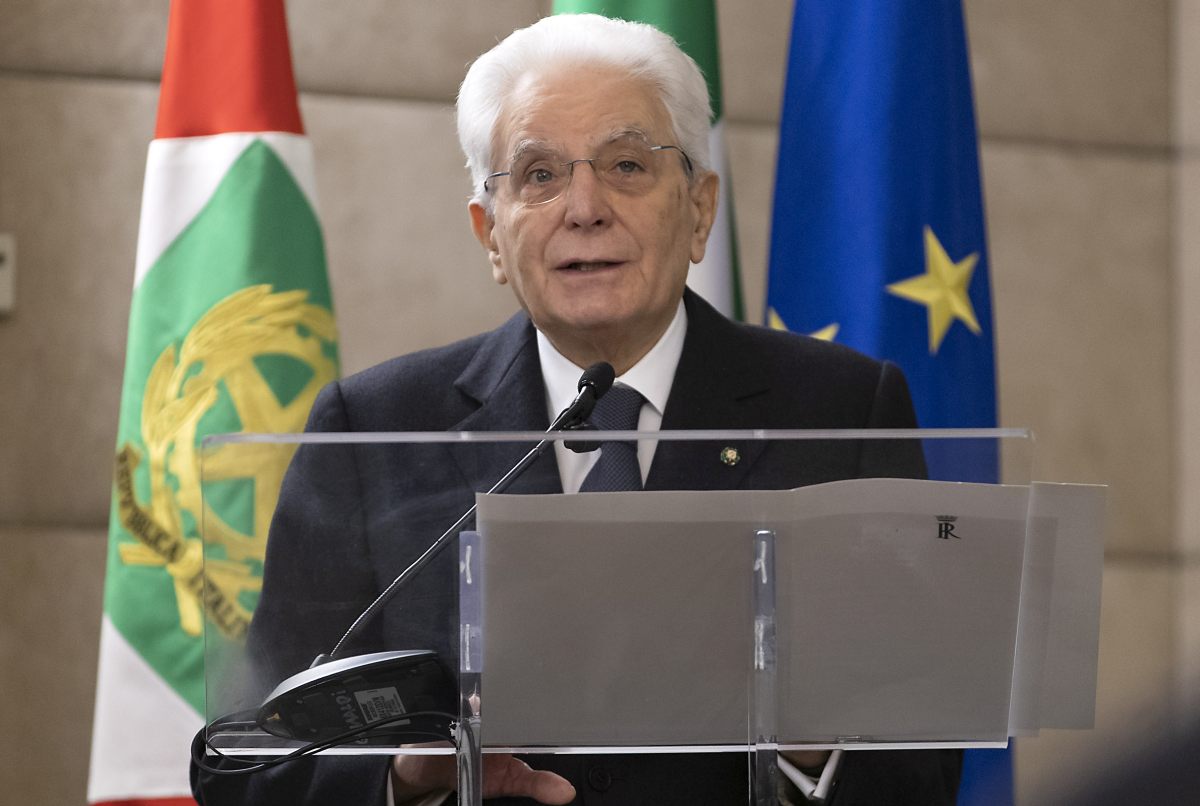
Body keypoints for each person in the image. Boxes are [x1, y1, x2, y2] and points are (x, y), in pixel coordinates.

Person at [193, 13, 961, 805]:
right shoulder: (375, 430)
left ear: (699, 209)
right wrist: (403, 776)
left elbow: (930, 761)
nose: (585, 206)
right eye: (539, 174)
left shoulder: (840, 413)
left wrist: (810, 741)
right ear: (490, 235)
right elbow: (246, 764)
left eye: (627, 164)